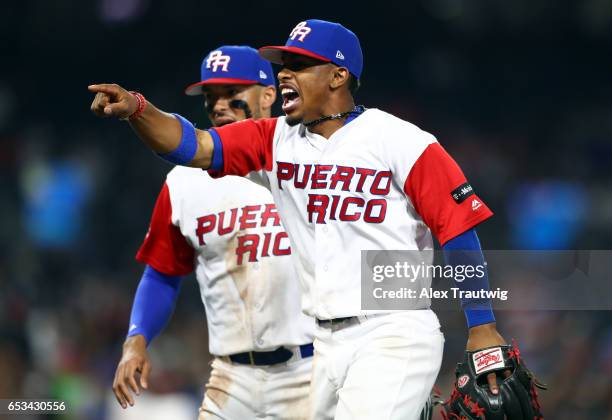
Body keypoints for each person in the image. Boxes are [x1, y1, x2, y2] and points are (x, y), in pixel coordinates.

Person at [90, 20, 508, 420]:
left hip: (393, 330)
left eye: (300, 65)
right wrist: (137, 109)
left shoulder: (402, 141)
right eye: (283, 65)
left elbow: (457, 229)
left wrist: (482, 325)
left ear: (338, 75)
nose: (284, 75)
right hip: (324, 344)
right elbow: (191, 145)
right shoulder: (275, 139)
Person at [109, 45, 315, 420]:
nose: (219, 105)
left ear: (269, 94)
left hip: (312, 370)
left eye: (231, 94)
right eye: (211, 96)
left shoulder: (308, 159)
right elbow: (162, 272)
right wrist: (135, 342)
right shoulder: (184, 182)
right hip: (231, 377)